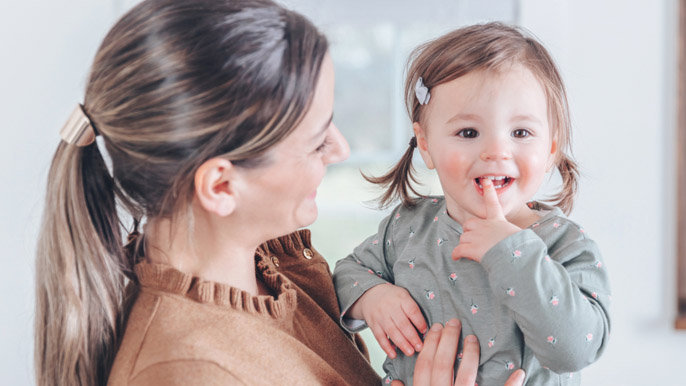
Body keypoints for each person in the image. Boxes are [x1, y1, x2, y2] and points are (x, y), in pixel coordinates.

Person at [34, 1, 525, 385]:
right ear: (222, 186)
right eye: (316, 141)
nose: (341, 148)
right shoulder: (187, 372)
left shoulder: (277, 270)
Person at [333, 22, 611, 386]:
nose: (496, 151)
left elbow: (575, 349)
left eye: (521, 133)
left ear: (551, 150)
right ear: (427, 144)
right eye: (468, 133)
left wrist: (510, 250)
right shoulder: (406, 227)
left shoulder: (566, 245)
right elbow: (344, 275)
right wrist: (372, 296)